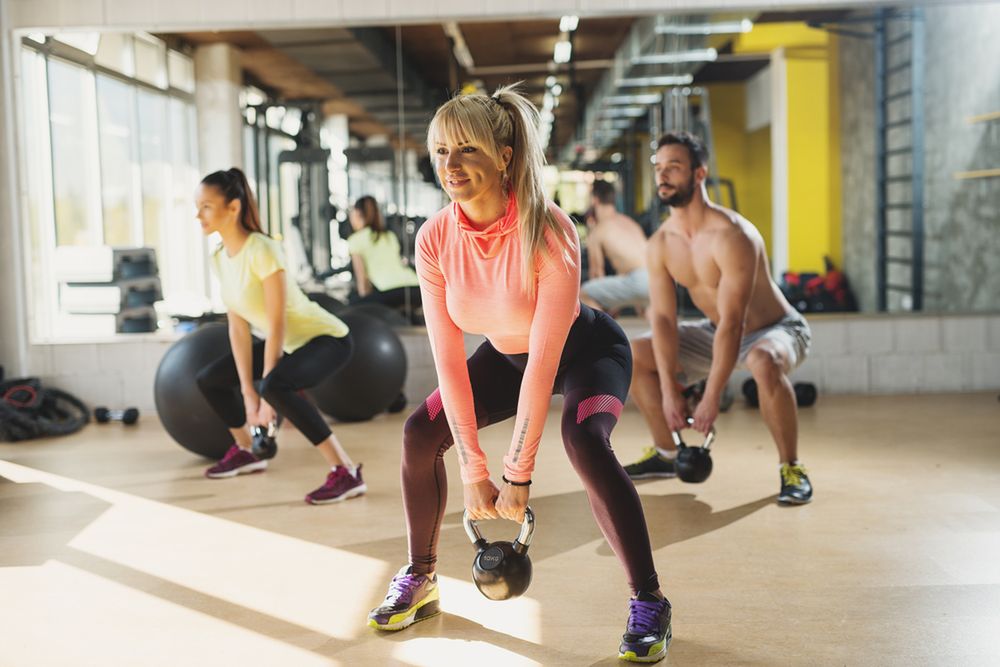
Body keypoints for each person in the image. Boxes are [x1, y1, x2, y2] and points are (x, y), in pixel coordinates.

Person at [365, 85, 672, 663]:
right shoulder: (434, 238)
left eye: (466, 151)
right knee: (417, 433)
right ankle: (421, 576)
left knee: (582, 439)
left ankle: (649, 600)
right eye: (440, 153)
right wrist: (472, 470)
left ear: (504, 156)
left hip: (585, 352)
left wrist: (515, 474)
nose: (450, 166)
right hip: (506, 357)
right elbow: (449, 359)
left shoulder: (549, 230)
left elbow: (545, 362)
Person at [623, 132, 813, 505]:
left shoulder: (732, 235)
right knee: (633, 353)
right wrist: (667, 390)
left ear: (699, 174)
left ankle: (791, 467)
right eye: (659, 168)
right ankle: (666, 453)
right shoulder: (661, 243)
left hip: (775, 329)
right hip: (715, 330)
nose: (663, 176)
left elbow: (735, 323)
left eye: (674, 168)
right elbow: (662, 317)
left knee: (762, 360)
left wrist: (711, 396)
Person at [194, 168, 366, 505]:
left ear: (233, 208)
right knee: (210, 379)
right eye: (198, 206)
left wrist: (263, 397)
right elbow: (238, 327)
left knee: (274, 386)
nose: (198, 214)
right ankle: (248, 450)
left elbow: (276, 324)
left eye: (206, 206)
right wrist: (247, 392)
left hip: (327, 338)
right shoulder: (219, 258)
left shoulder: (263, 249)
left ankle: (346, 471)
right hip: (288, 344)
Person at [580, 180, 650, 316]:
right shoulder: (630, 222)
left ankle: (604, 334)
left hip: (638, 282)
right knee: (645, 310)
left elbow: (596, 273)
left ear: (594, 200)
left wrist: (605, 304)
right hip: (659, 279)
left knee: (584, 293)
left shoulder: (598, 230)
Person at [347, 196, 421, 309]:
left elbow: (363, 283)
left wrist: (364, 305)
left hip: (391, 291)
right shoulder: (389, 236)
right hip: (416, 288)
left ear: (357, 214)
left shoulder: (355, 240)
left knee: (352, 305)